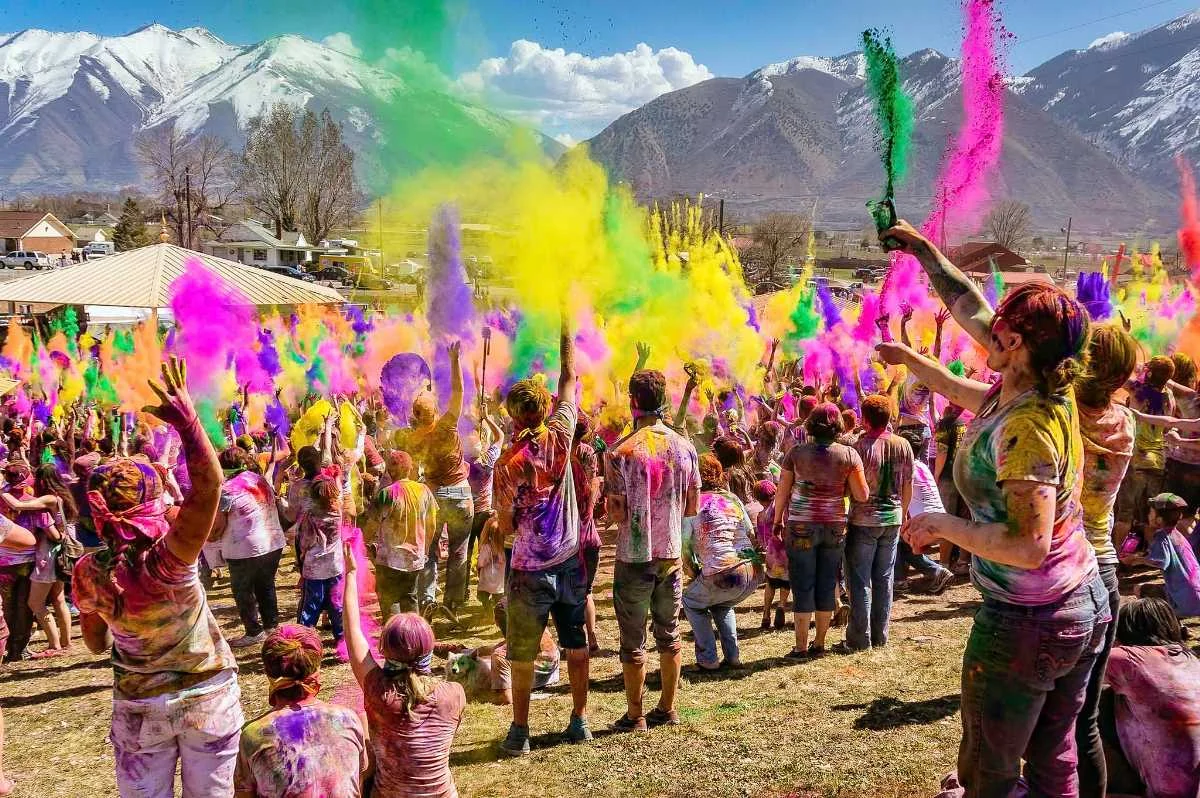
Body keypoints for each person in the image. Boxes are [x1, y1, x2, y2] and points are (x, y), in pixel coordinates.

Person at [877, 220, 1108, 798]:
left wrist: (942, 524)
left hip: (1030, 621)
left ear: (1019, 346)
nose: (990, 331)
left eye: (1002, 332)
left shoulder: (1027, 429)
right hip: (1077, 603)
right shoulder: (1035, 390)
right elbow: (968, 310)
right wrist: (924, 254)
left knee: (988, 769)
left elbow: (1027, 547)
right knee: (1054, 757)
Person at [74, 358, 242, 797]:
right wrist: (188, 422)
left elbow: (95, 643)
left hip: (138, 707)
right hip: (208, 697)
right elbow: (209, 488)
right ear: (152, 496)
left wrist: (121, 623)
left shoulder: (89, 572)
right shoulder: (171, 558)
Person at [493, 313, 591, 754]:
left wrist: (505, 523)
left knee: (523, 652)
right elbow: (570, 374)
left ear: (513, 416)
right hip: (569, 558)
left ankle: (520, 731)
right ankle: (580, 720)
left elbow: (506, 524)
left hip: (529, 566)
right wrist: (564, 323)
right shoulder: (562, 432)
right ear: (545, 408)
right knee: (576, 644)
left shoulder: (506, 466)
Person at [606, 368, 700, 731]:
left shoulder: (621, 452)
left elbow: (617, 514)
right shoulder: (685, 448)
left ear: (633, 401)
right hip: (671, 555)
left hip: (633, 556)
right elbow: (691, 507)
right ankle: (668, 707)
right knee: (669, 632)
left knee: (633, 642)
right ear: (664, 400)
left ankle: (635, 715)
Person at [1072, 322, 1138, 795]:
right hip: (1104, 571)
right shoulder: (1126, 421)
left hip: (1058, 570)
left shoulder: (1056, 412)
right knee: (1085, 719)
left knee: (1033, 719)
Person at [342, 549, 466, 798]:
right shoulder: (454, 694)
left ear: (385, 649)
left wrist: (351, 575)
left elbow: (352, 631)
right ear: (429, 648)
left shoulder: (377, 690)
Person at [773, 403, 868, 659]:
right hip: (834, 527)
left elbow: (782, 491)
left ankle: (800, 647)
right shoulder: (849, 455)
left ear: (811, 424)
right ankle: (820, 644)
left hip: (801, 525)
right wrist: (842, 489)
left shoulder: (796, 453)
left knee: (802, 584)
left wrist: (777, 520)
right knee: (828, 582)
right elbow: (862, 494)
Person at [234, 625, 367, 797]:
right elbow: (358, 780)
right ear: (317, 672)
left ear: (268, 673)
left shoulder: (252, 735)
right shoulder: (348, 719)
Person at [396, 342, 474, 619]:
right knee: (458, 551)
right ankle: (452, 602)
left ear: (416, 415)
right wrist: (454, 359)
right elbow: (459, 392)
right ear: (435, 411)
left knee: (428, 551)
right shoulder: (446, 426)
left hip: (431, 496)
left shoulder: (413, 439)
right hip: (460, 495)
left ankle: (428, 599)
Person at [1100, 598, 1200, 798]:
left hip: (1173, 792)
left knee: (1077, 708)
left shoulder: (1132, 661)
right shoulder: (1190, 660)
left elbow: (1071, 663)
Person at [843, 394, 913, 652]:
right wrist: (903, 514)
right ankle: (880, 636)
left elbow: (850, 488)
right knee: (884, 579)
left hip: (864, 519)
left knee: (860, 580)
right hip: (892, 517)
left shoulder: (858, 447)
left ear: (864, 419)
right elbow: (908, 483)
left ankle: (860, 639)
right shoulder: (903, 444)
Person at [682, 454, 763, 670]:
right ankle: (733, 657)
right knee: (721, 603)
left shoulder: (693, 503)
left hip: (724, 571)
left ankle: (708, 659)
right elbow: (750, 531)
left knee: (690, 601)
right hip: (752, 571)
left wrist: (694, 571)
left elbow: (683, 546)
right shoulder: (732, 498)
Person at [212, 446, 286, 648]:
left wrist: (208, 538)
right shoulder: (258, 479)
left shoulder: (228, 489)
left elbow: (218, 526)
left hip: (245, 548)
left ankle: (253, 631)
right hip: (272, 542)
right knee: (266, 585)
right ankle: (272, 627)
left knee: (243, 591)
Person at [1115, 356, 1177, 550]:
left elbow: (1117, 373)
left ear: (1149, 373)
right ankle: (1154, 555)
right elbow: (1167, 428)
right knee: (1153, 515)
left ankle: (1116, 559)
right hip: (1158, 460)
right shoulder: (1170, 397)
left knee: (1125, 513)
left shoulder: (1137, 390)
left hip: (1136, 460)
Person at [371, 450, 437, 618]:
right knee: (410, 597)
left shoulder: (387, 494)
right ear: (409, 469)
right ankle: (413, 638)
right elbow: (432, 525)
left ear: (389, 471)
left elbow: (371, 525)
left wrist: (365, 544)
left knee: (390, 600)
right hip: (415, 557)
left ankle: (394, 638)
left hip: (389, 560)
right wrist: (425, 550)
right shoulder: (424, 490)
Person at [893, 427, 954, 594]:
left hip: (924, 521)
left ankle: (899, 580)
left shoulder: (905, 469)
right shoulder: (922, 466)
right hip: (937, 518)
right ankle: (936, 572)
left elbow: (898, 499)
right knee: (904, 543)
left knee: (896, 539)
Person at [1128, 493, 1200, 618]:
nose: (1148, 515)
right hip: (1196, 597)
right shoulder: (1178, 535)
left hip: (1185, 603)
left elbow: (1160, 561)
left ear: (1159, 519)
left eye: (1151, 513)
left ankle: (1167, 624)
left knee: (1139, 589)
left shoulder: (1161, 536)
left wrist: (1136, 560)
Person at [296, 467, 345, 643]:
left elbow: (305, 543)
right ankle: (342, 642)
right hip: (335, 566)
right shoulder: (338, 512)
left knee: (310, 607)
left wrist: (300, 560)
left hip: (314, 569)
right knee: (337, 605)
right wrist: (338, 477)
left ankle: (304, 641)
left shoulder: (310, 517)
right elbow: (338, 494)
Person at [572, 411, 603, 654]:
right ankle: (591, 637)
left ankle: (574, 639)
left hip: (568, 540)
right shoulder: (591, 487)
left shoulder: (558, 458)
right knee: (587, 592)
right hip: (591, 538)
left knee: (567, 593)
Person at [752, 479, 790, 629]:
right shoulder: (784, 509)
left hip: (772, 555)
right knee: (786, 582)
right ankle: (781, 605)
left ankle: (766, 614)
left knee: (771, 583)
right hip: (786, 553)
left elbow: (762, 540)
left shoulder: (761, 516)